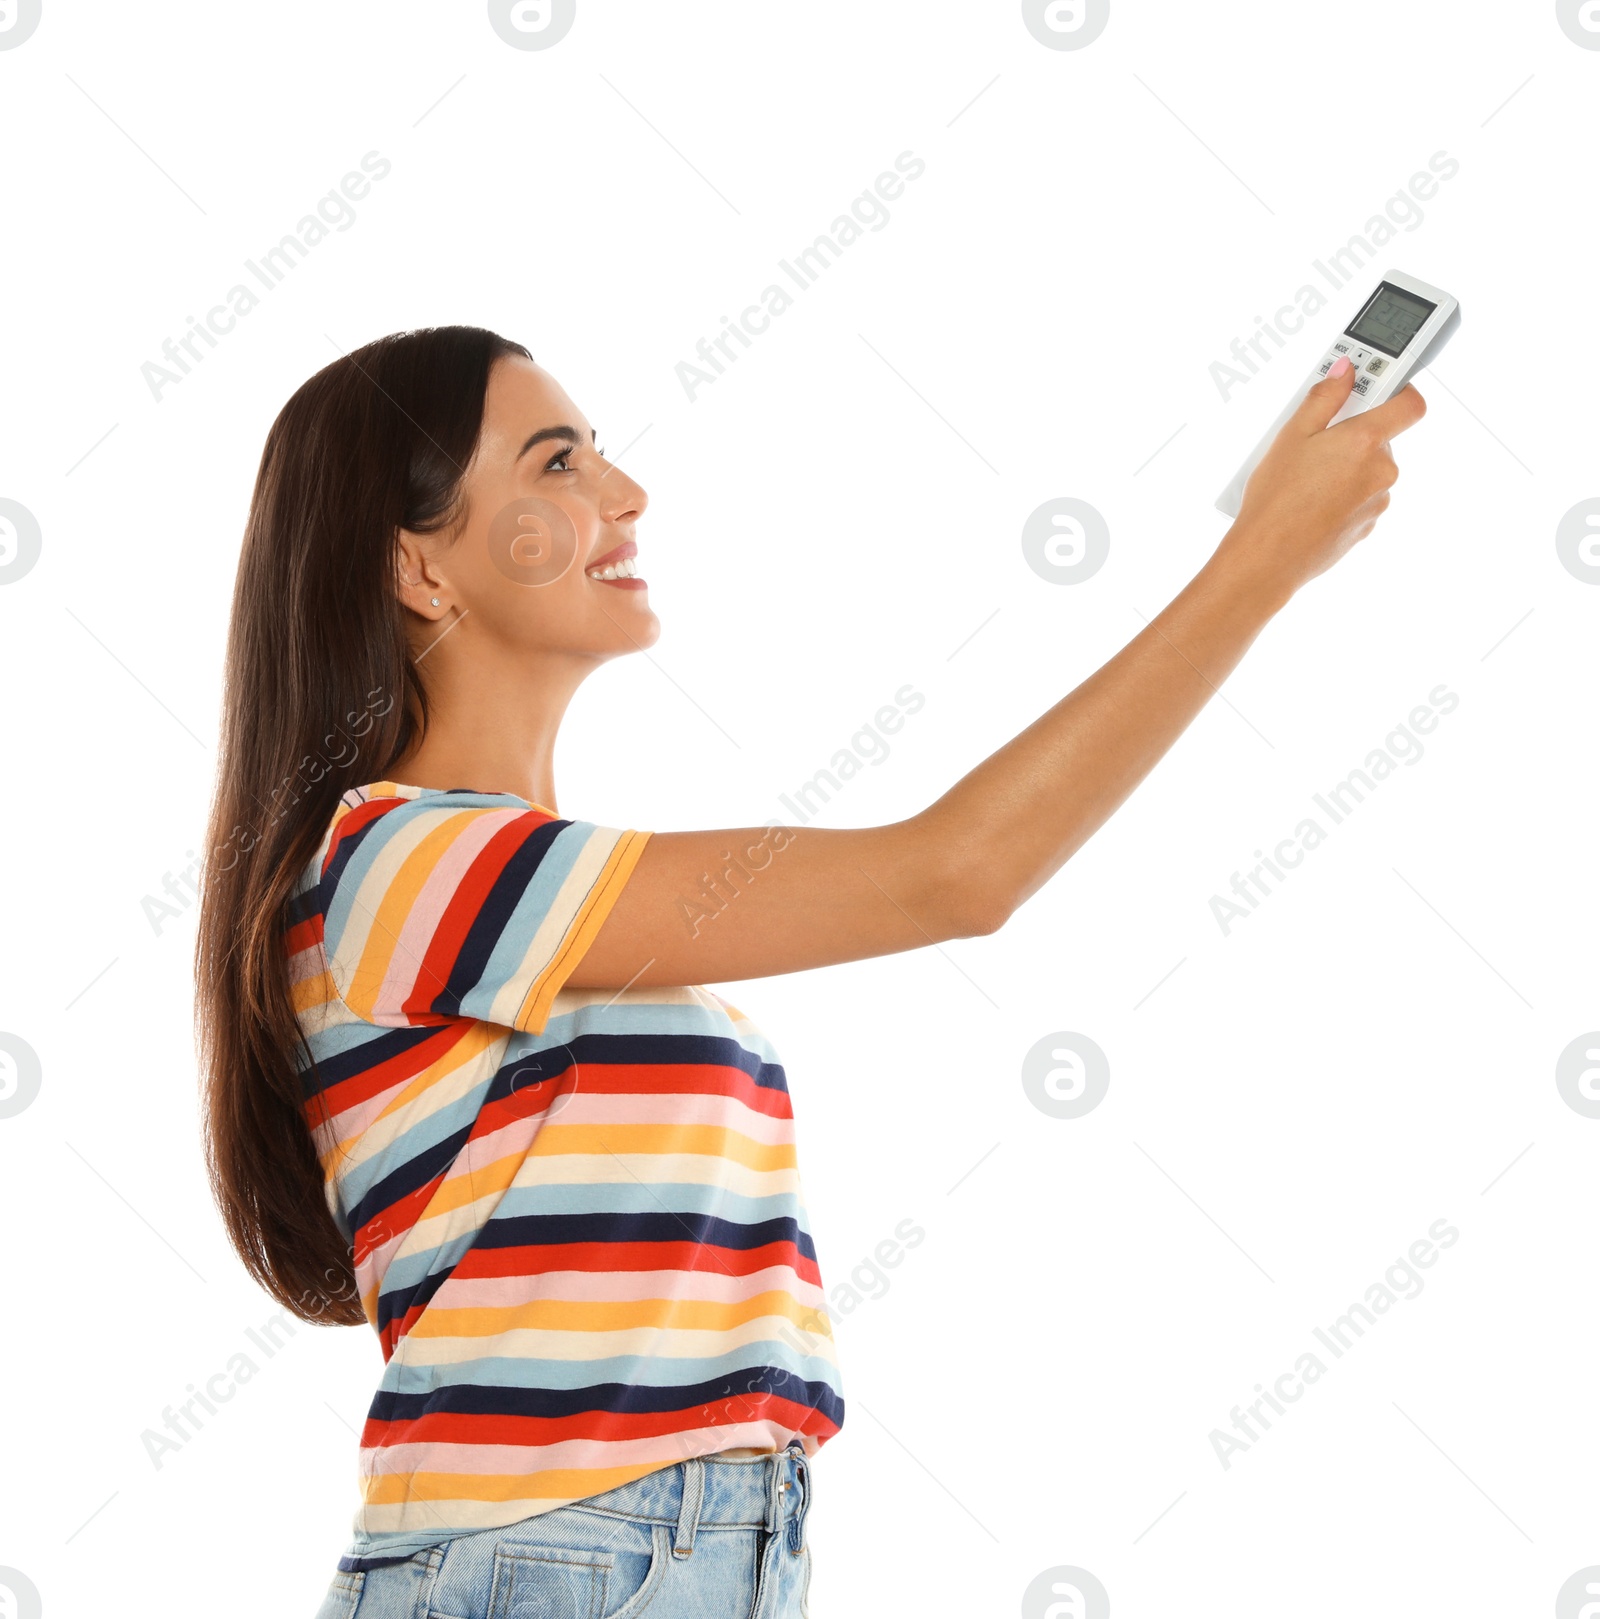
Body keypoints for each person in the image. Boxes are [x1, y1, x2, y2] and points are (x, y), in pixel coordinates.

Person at [194, 327, 1423, 1618]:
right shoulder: (403, 864)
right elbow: (957, 873)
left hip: (683, 1558)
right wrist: (1259, 564)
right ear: (419, 569)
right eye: (558, 463)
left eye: (602, 453)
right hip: (553, 1562)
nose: (625, 493)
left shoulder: (524, 893)